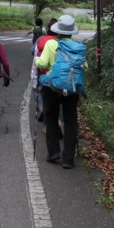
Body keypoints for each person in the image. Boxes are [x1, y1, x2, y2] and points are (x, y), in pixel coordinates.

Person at [34, 14, 84, 169]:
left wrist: (36, 60)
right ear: (71, 32)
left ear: (58, 30)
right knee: (70, 121)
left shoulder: (50, 44)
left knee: (51, 117)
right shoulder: (77, 47)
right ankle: (68, 158)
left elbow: (43, 62)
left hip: (52, 87)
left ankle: (53, 152)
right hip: (72, 89)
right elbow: (85, 66)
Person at [32, 17, 58, 121]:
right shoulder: (60, 41)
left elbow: (32, 50)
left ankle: (41, 108)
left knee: (37, 89)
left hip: (40, 70)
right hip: (55, 73)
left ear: (47, 29)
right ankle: (54, 120)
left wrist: (37, 60)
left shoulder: (41, 40)